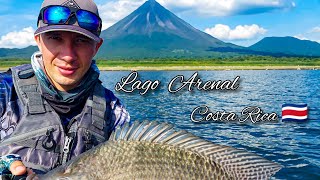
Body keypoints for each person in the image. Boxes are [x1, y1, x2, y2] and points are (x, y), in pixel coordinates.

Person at [0, 0, 130, 178]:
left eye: (81, 40)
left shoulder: (114, 111)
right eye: (55, 38)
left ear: (96, 47)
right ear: (38, 40)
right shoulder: (4, 92)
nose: (68, 55)